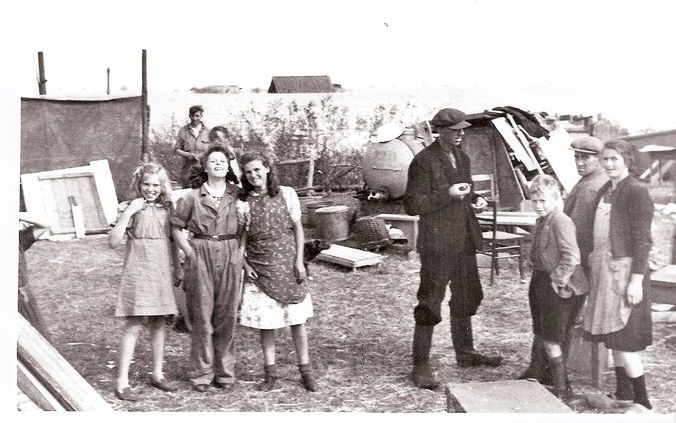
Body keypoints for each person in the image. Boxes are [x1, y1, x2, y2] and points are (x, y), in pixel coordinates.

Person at [403, 108, 502, 390]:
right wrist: (445, 195)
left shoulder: (462, 157)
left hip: (463, 241)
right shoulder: (423, 161)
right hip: (437, 244)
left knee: (467, 296)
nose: (461, 134)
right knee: (430, 303)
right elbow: (412, 204)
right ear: (440, 131)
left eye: (462, 130)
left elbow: (466, 189)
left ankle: (465, 353)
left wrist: (476, 199)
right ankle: (420, 365)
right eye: (455, 130)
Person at [519, 136, 608, 383]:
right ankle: (541, 372)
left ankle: (554, 379)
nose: (579, 162)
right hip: (560, 266)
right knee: (550, 326)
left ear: (599, 159)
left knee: (555, 328)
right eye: (576, 156)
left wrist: (559, 276)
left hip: (567, 269)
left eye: (585, 157)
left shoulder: (591, 187)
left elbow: (573, 233)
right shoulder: (587, 181)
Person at [237, 151, 318, 392]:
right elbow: (240, 241)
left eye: (257, 169)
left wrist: (299, 261)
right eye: (249, 172)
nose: (254, 175)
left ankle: (305, 371)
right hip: (260, 268)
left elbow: (298, 229)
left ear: (267, 169)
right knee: (267, 324)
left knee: (297, 321)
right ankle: (270, 373)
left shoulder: (287, 194)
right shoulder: (243, 203)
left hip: (287, 264)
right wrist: (245, 265)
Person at [583, 139, 654, 410]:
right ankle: (623, 395)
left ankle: (642, 402)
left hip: (626, 276)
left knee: (625, 341)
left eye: (615, 159)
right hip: (605, 272)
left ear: (627, 160)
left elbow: (642, 242)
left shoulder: (636, 191)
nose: (609, 164)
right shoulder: (605, 190)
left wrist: (636, 281)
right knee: (613, 338)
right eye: (605, 159)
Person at [171, 144, 243, 392]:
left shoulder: (238, 195)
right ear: (204, 166)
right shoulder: (191, 196)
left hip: (230, 251)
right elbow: (175, 228)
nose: (218, 165)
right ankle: (201, 373)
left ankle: (224, 372)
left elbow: (246, 228)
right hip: (200, 252)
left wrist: (239, 254)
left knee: (227, 316)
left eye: (222, 161)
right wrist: (190, 252)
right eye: (213, 161)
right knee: (201, 316)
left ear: (229, 165)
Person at [109, 163, 179, 401]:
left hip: (160, 271)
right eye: (146, 184)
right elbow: (113, 241)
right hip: (138, 272)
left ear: (162, 187)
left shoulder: (167, 208)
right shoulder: (129, 207)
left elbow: (172, 241)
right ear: (138, 185)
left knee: (159, 322)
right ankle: (122, 382)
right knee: (134, 325)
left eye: (155, 185)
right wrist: (129, 212)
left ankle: (157, 374)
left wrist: (177, 269)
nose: (151, 189)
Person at [525, 175, 589, 397]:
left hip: (557, 285)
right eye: (534, 201)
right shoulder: (542, 220)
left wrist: (557, 280)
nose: (538, 206)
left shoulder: (561, 220)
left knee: (552, 337)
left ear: (556, 199)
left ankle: (561, 388)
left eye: (543, 200)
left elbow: (571, 256)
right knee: (541, 331)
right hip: (540, 279)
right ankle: (540, 374)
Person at [18, 212, 53, 342]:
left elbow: (46, 223)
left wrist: (17, 214)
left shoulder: (19, 239)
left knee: (36, 341)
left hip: (22, 300)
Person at [174, 105, 211, 188]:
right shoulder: (183, 131)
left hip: (204, 170)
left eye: (197, 116)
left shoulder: (208, 131)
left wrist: (201, 155)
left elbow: (211, 150)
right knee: (188, 195)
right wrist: (188, 155)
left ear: (201, 116)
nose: (194, 118)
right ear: (189, 116)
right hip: (188, 171)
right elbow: (177, 150)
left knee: (205, 193)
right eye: (192, 116)